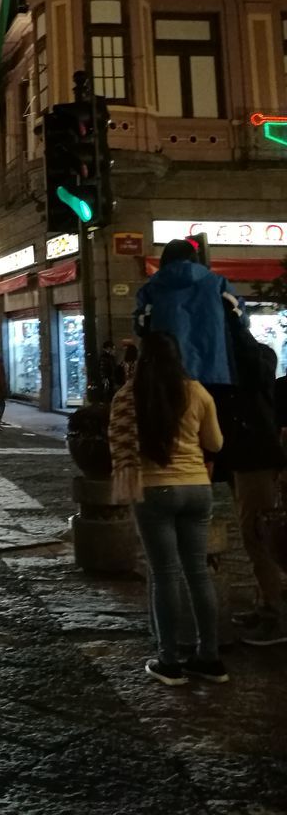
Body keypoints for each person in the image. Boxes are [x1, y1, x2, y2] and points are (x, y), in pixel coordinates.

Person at [109, 330, 226, 686]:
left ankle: (169, 660)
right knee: (197, 572)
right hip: (197, 489)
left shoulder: (131, 396)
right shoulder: (197, 392)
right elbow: (215, 443)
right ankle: (210, 657)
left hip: (155, 490)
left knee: (164, 575)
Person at [215, 299, 287, 646]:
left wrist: (231, 321)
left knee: (259, 534)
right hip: (242, 458)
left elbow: (247, 356)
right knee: (251, 533)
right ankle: (265, 602)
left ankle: (275, 613)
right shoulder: (242, 367)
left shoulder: (258, 360)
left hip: (255, 459)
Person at [133, 238, 241, 388]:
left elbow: (141, 326)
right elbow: (240, 319)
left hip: (169, 377)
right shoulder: (218, 284)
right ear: (194, 258)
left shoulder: (152, 289)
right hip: (215, 374)